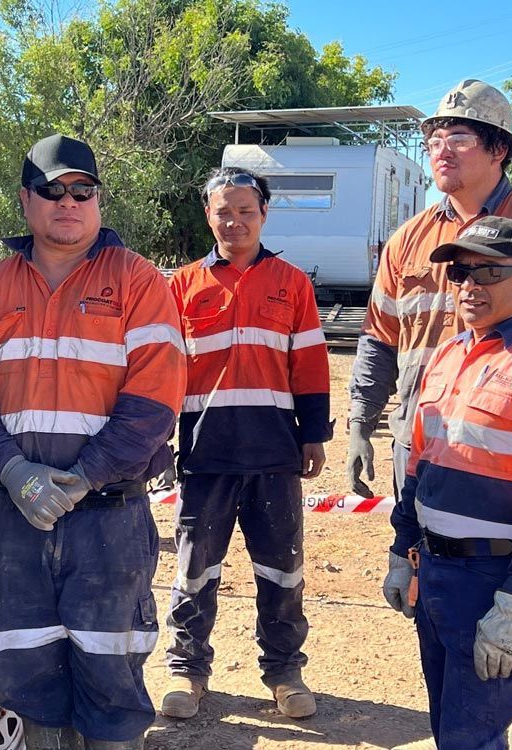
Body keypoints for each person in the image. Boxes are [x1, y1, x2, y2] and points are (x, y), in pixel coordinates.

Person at [346, 79, 512, 749]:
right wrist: (360, 422)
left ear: (498, 149)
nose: (439, 148)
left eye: (458, 136)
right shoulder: (410, 241)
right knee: (441, 614)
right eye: (433, 137)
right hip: (427, 454)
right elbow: (379, 338)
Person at [0, 134, 186, 750]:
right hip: (19, 523)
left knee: (110, 678)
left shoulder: (139, 283)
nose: (68, 201)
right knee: (30, 677)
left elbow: (155, 403)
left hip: (110, 521)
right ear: (26, 201)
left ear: (98, 199)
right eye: (52, 190)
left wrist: (87, 476)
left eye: (82, 190)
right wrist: (15, 473)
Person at [382, 216, 512, 750]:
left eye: (488, 272)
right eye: (460, 272)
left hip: (492, 581)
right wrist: (401, 547)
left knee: (469, 737)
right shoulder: (450, 356)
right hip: (435, 574)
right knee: (450, 728)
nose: (470, 285)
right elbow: (419, 468)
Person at [161, 167, 333, 721]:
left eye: (246, 211)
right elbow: (161, 370)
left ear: (264, 215)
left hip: (274, 455)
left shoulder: (291, 283)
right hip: (205, 455)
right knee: (195, 570)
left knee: (281, 571)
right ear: (207, 216)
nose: (234, 221)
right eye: (223, 211)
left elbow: (309, 363)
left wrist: (314, 435)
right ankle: (188, 670)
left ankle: (285, 672)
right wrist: (159, 439)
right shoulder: (180, 286)